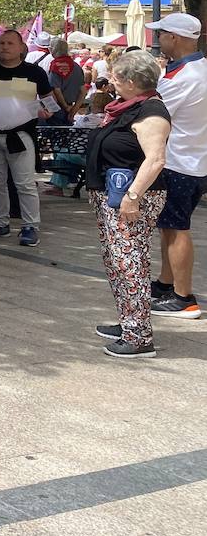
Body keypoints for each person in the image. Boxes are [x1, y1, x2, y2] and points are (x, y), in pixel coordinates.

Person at [83, 50, 171, 358]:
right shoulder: (127, 107)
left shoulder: (151, 112)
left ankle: (139, 337)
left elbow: (156, 159)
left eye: (116, 77)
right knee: (117, 261)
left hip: (133, 198)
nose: (111, 82)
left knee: (130, 263)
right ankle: (129, 321)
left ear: (132, 82)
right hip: (113, 195)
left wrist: (133, 197)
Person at [146, 14, 207, 319]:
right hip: (190, 159)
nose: (159, 39)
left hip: (181, 161)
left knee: (176, 227)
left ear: (177, 38)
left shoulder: (186, 77)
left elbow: (155, 110)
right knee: (170, 226)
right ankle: (166, 283)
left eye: (163, 34)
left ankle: (184, 297)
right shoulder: (195, 70)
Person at [0, 29, 55, 247]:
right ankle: (0, 222)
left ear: (21, 47)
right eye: (1, 43)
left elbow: (49, 101)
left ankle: (30, 226)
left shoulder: (35, 72)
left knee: (25, 183)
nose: (5, 47)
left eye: (10, 43)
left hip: (20, 136)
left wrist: (45, 111)